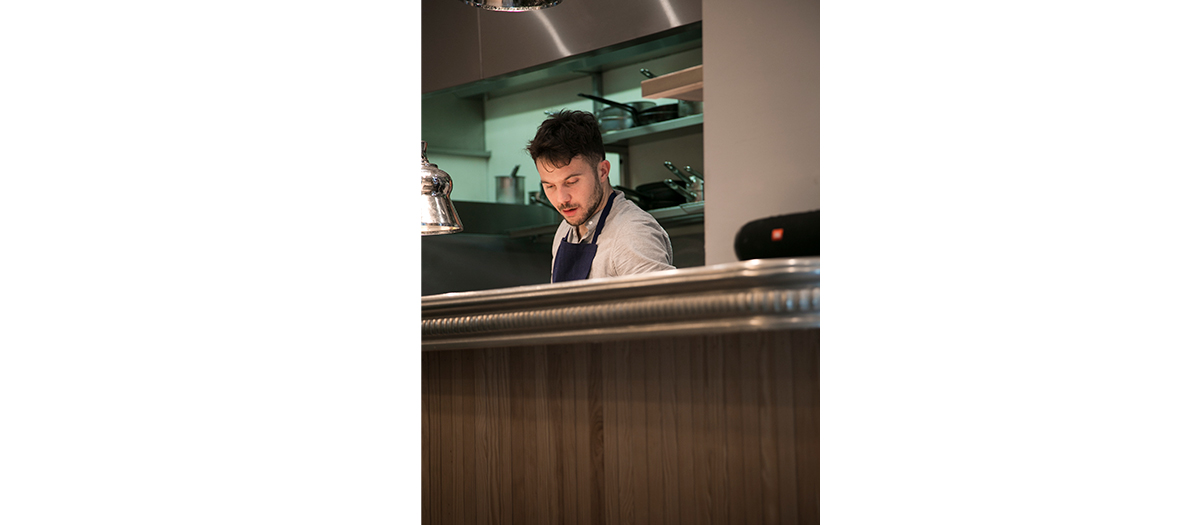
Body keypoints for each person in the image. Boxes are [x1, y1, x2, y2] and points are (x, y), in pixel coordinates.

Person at [527, 109, 675, 283]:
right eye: (550, 186)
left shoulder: (633, 233)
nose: (561, 199)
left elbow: (663, 307)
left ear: (602, 171)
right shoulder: (565, 232)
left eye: (572, 182)